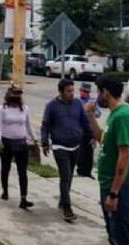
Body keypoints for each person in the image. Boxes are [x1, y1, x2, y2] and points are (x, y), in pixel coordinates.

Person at [84, 75, 129, 245]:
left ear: (106, 93)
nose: (97, 96)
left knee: (120, 235)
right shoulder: (114, 114)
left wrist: (114, 193)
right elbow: (104, 139)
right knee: (113, 232)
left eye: (98, 92)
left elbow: (125, 155)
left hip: (120, 187)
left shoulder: (123, 116)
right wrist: (91, 117)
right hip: (108, 182)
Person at [41, 79, 93, 222]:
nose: (71, 94)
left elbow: (84, 122)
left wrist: (91, 137)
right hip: (60, 146)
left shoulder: (77, 104)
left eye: (72, 91)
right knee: (65, 175)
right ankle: (67, 207)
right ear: (61, 91)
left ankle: (63, 199)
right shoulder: (51, 106)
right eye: (68, 91)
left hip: (75, 145)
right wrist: (44, 142)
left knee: (69, 175)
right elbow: (45, 125)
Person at [0, 85, 36, 210]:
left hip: (21, 143)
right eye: (15, 93)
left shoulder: (24, 109)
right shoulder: (2, 109)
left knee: (22, 171)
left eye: (19, 94)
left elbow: (29, 125)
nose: (17, 96)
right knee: (5, 168)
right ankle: (5, 191)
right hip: (6, 142)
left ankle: (23, 198)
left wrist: (35, 139)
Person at [77, 82, 98, 178]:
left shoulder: (92, 102)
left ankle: (88, 172)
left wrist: (91, 110)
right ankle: (80, 171)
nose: (83, 93)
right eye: (82, 91)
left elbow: (98, 113)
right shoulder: (77, 101)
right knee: (81, 151)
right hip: (79, 129)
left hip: (90, 129)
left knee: (90, 151)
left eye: (85, 92)